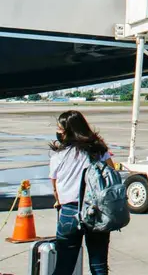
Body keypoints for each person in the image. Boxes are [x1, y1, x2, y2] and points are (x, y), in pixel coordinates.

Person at [49, 110, 114, 275]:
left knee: (64, 265)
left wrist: (58, 200)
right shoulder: (98, 151)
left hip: (69, 211)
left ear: (68, 131)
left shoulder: (58, 156)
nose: (58, 133)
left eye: (60, 129)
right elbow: (112, 173)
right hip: (96, 211)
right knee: (99, 264)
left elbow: (55, 186)